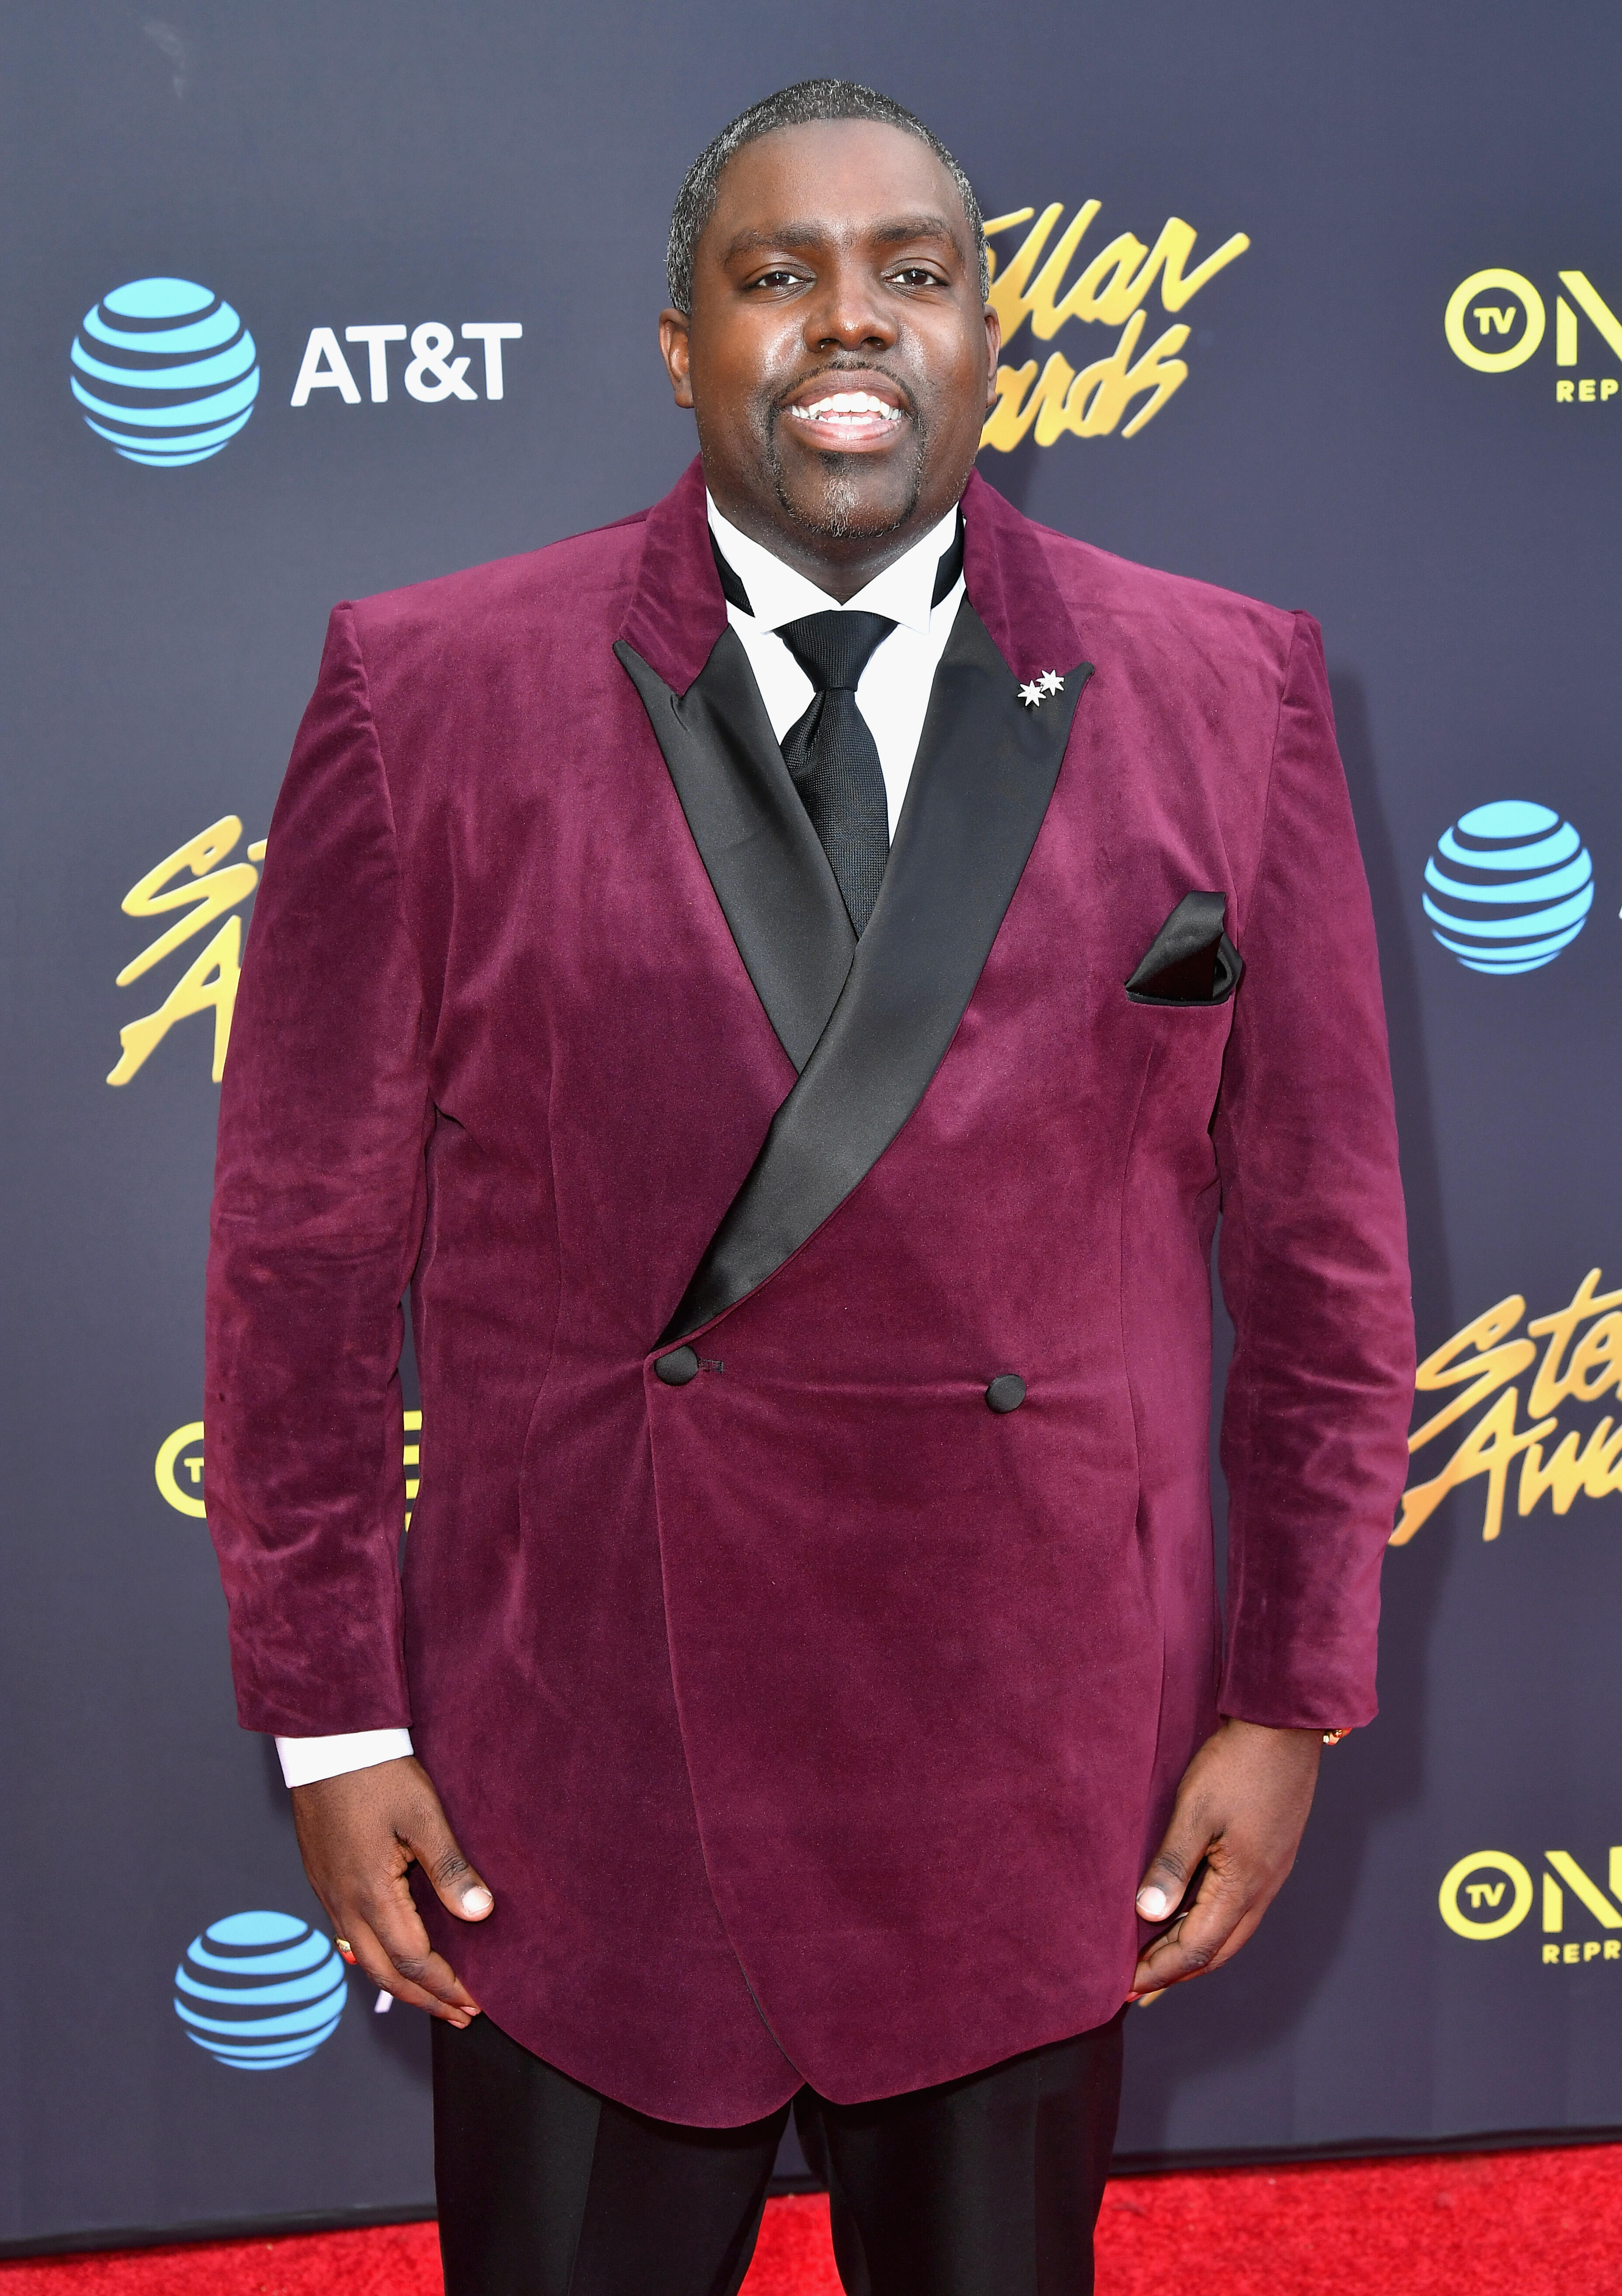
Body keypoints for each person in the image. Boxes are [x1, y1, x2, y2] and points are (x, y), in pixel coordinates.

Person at [205, 77, 1414, 2296]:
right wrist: (336, 1714)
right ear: (682, 346)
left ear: (989, 337)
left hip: (1030, 1766)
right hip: (579, 1782)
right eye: (775, 278)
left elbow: (1326, 1257)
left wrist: (1288, 1690)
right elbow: (301, 1254)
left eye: (912, 274)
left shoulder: (1226, 690)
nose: (845, 324)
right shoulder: (431, 688)